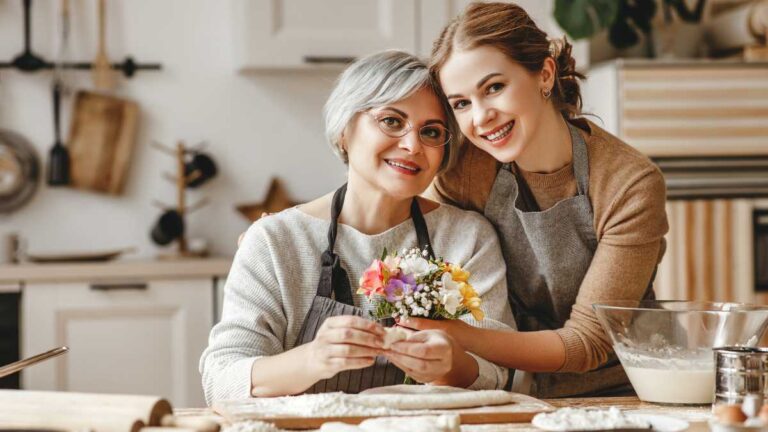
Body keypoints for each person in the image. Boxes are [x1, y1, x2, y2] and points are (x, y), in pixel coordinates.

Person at [200, 50, 514, 404]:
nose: (412, 145)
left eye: (431, 131)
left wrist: (450, 366)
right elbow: (222, 380)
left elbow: (500, 374)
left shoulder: (468, 238)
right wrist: (314, 359)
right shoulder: (275, 241)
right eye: (392, 121)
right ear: (345, 130)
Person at [404, 2, 669, 398]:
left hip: (621, 391)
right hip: (507, 388)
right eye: (461, 103)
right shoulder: (467, 171)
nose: (480, 118)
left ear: (544, 75)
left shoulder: (628, 183)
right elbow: (405, 230)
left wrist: (453, 333)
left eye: (494, 87)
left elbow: (587, 343)